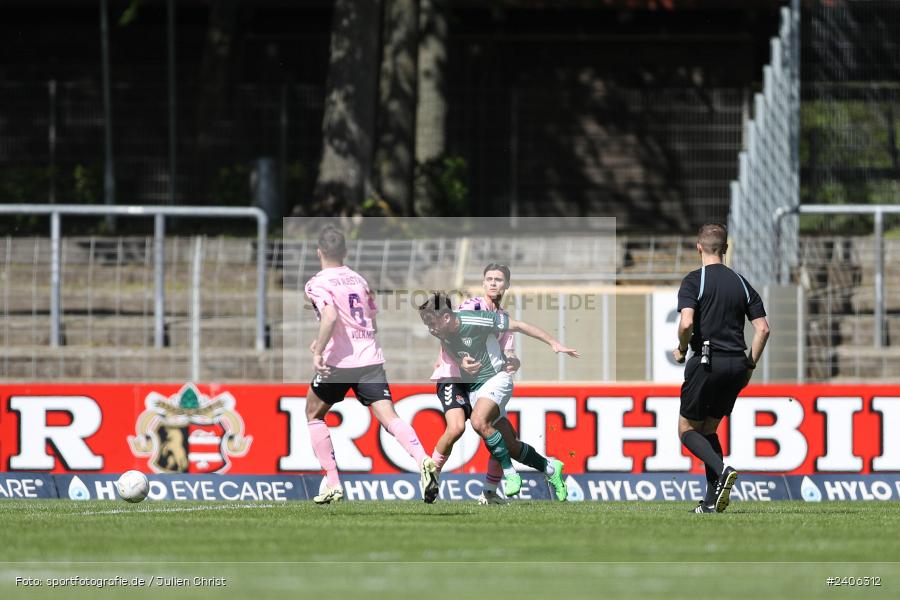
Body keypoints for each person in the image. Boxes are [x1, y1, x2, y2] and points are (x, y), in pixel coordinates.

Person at [304, 225, 439, 505]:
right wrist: (323, 342)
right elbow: (372, 322)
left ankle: (332, 482)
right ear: (345, 251)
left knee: (314, 414)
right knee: (391, 419)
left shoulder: (317, 283)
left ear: (319, 252)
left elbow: (329, 317)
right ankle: (423, 458)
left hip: (339, 363)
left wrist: (319, 352)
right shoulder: (359, 280)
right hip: (370, 359)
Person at [419, 291, 579, 502]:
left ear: (446, 317)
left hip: (496, 380)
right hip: (476, 389)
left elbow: (519, 326)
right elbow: (453, 346)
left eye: (433, 325)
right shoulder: (443, 331)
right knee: (509, 444)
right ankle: (551, 468)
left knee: (478, 421)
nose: (431, 330)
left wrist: (553, 343)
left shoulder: (476, 319)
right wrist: (461, 362)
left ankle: (510, 475)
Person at [673, 223, 770, 514]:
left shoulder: (694, 280)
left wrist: (680, 348)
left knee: (687, 429)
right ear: (726, 248)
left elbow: (687, 323)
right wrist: (749, 364)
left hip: (707, 361)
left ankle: (723, 469)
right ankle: (711, 502)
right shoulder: (741, 283)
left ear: (698, 247)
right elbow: (763, 329)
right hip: (737, 365)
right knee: (709, 428)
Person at [428, 263, 523, 505]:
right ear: (482, 284)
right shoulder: (472, 307)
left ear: (507, 285)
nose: (493, 283)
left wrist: (513, 361)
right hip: (453, 376)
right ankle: (431, 475)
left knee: (504, 435)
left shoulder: (502, 319)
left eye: (498, 279)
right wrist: (461, 360)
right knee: (457, 427)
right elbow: (447, 333)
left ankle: (490, 493)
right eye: (489, 279)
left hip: (481, 381)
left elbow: (507, 350)